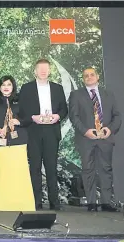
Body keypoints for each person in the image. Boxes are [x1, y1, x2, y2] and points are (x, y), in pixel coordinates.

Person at [68, 68, 121, 212]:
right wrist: (86, 131)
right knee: (88, 170)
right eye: (86, 76)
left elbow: (117, 116)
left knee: (106, 170)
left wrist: (109, 130)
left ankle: (106, 203)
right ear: (83, 79)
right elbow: (74, 117)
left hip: (105, 138)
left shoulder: (108, 94)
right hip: (86, 139)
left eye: (92, 75)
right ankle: (91, 203)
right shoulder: (76, 95)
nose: (89, 77)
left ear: (97, 77)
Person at [19, 59, 68, 210]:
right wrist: (33, 117)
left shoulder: (57, 88)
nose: (43, 71)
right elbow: (21, 112)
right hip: (33, 131)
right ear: (35, 71)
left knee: (51, 167)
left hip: (51, 131)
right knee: (34, 167)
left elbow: (64, 109)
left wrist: (57, 117)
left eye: (46, 68)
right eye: (40, 68)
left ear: (50, 71)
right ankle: (36, 201)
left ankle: (54, 201)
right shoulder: (26, 88)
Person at [0, 75, 35, 211]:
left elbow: (29, 118)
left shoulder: (22, 100)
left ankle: (22, 204)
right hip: (1, 142)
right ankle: (2, 204)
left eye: (9, 84)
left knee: (19, 174)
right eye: (3, 85)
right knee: (3, 174)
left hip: (19, 142)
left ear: (13, 86)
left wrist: (18, 121)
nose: (6, 87)